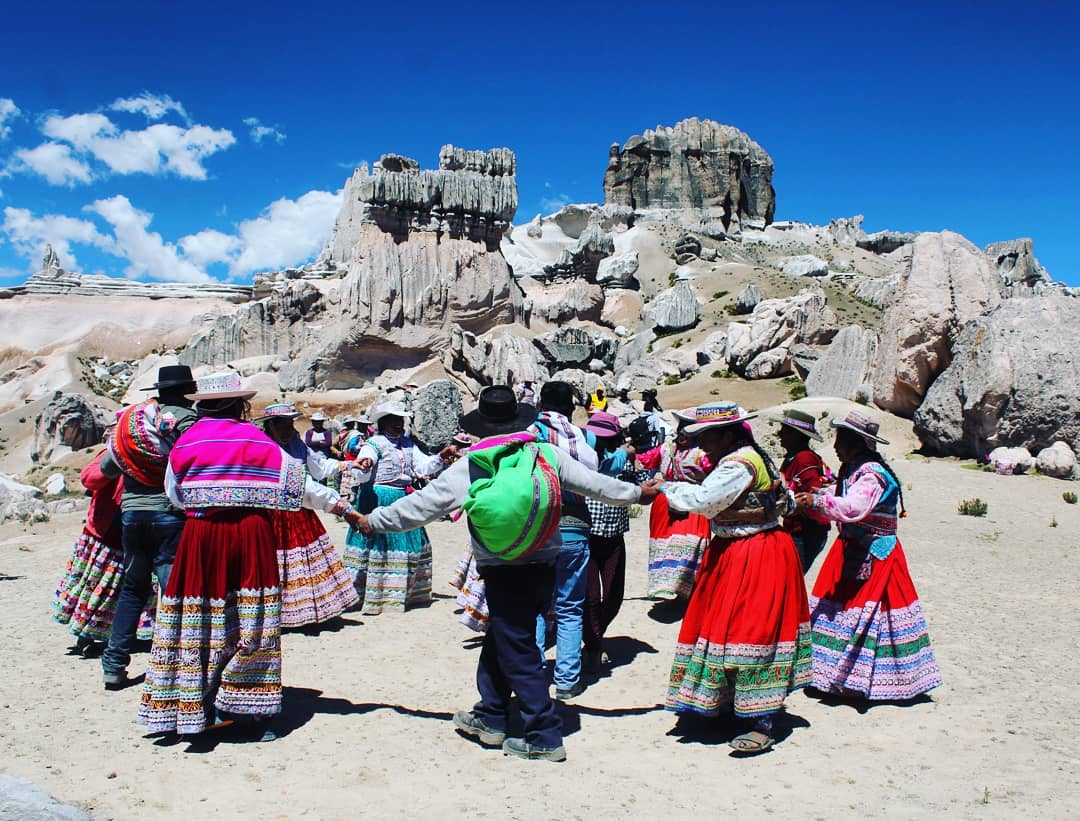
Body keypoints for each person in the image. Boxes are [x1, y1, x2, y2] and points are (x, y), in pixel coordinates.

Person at [353, 385, 662, 761]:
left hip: (501, 565)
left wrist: (374, 521)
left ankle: (543, 735)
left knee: (517, 646)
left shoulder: (473, 464)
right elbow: (596, 485)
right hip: (546, 559)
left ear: (481, 425)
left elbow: (423, 506)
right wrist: (636, 494)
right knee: (503, 635)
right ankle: (491, 715)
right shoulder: (545, 453)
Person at [138, 373, 365, 739]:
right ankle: (247, 710)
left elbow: (175, 494)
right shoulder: (256, 439)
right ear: (239, 405)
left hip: (201, 537)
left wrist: (209, 499)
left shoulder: (185, 442)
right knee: (252, 619)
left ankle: (196, 706)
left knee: (202, 621)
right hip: (251, 536)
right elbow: (300, 487)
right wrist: (343, 508)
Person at [661, 402, 811, 755]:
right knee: (725, 627)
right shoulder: (748, 458)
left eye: (708, 437)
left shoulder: (739, 464)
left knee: (753, 631)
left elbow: (705, 501)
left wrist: (664, 489)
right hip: (736, 551)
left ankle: (762, 720)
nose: (703, 446)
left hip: (755, 553)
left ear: (727, 434)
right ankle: (729, 703)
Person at [796, 411, 942, 701]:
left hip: (875, 555)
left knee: (871, 614)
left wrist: (817, 501)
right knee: (839, 610)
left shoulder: (872, 475)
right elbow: (845, 497)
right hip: (852, 549)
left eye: (841, 440)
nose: (836, 447)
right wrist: (824, 492)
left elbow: (853, 508)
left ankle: (860, 681)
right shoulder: (855, 470)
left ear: (857, 443)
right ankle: (831, 675)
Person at [99, 364, 198, 690]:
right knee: (174, 593)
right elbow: (194, 462)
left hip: (132, 515)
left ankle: (114, 665)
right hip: (170, 514)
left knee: (133, 588)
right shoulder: (186, 420)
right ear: (185, 391)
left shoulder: (132, 422)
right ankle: (177, 667)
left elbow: (106, 467)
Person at [342, 400, 456, 614]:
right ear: (383, 422)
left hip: (402, 497)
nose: (398, 424)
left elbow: (422, 466)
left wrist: (440, 457)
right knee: (379, 546)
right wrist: (365, 464)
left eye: (400, 420)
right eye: (393, 420)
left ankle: (404, 593)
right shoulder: (374, 443)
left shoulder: (408, 444)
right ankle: (372, 595)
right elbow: (364, 464)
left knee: (408, 544)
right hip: (378, 497)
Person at [257, 403, 360, 628]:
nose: (286, 430)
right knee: (280, 562)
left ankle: (307, 612)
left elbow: (319, 467)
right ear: (270, 427)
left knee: (303, 563)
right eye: (281, 425)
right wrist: (342, 508)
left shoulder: (297, 445)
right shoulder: (267, 450)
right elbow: (305, 486)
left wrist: (348, 465)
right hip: (273, 514)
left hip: (299, 513)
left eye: (289, 424)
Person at [529, 381, 599, 700]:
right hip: (575, 527)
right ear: (571, 407)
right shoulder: (586, 436)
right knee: (571, 606)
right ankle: (568, 680)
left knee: (537, 606)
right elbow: (599, 475)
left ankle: (534, 672)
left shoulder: (528, 433)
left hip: (538, 529)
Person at [53, 449, 154, 657]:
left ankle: (127, 633)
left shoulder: (160, 450)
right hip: (107, 534)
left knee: (131, 589)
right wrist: (114, 461)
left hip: (141, 533)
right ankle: (87, 634)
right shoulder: (116, 451)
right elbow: (89, 478)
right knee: (100, 588)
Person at [580, 412, 633, 672]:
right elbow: (605, 465)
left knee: (613, 594)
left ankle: (594, 637)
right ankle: (593, 644)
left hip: (614, 535)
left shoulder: (623, 460)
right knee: (590, 596)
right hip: (587, 536)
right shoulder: (583, 458)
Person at [644, 409, 713, 601]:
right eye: (681, 428)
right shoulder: (666, 449)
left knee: (693, 544)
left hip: (693, 503)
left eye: (688, 429)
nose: (683, 433)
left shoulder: (704, 454)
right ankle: (665, 587)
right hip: (666, 504)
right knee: (666, 545)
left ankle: (688, 591)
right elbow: (645, 460)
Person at [776, 409, 832, 572]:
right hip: (798, 528)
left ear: (797, 435)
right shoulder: (794, 458)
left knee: (791, 576)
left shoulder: (804, 459)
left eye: (785, 431)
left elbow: (811, 493)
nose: (780, 434)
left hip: (806, 531)